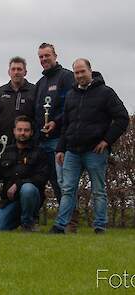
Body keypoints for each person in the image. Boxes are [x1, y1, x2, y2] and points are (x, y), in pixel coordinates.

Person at [49, 58, 129, 234]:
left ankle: (100, 226)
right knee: (67, 190)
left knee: (98, 191)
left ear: (90, 71)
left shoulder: (106, 93)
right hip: (72, 151)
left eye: (82, 71)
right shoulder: (71, 95)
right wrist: (60, 148)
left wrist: (107, 140)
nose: (79, 75)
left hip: (95, 151)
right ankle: (60, 226)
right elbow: (66, 125)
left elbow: (122, 118)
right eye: (76, 73)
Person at [0, 115, 50, 232]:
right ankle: (17, 220)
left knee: (28, 189)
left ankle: (28, 223)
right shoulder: (5, 152)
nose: (22, 133)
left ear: (31, 132)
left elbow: (41, 178)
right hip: (10, 201)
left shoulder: (39, 153)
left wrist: (19, 184)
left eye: (26, 130)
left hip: (31, 199)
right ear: (14, 131)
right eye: (19, 130)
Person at [34, 42, 75, 205]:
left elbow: (72, 106)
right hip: (42, 141)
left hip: (59, 141)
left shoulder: (67, 77)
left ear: (55, 56)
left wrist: (55, 122)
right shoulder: (40, 83)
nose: (44, 59)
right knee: (47, 180)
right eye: (41, 57)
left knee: (63, 182)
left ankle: (70, 220)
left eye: (47, 55)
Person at [0, 56, 36, 144]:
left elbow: (39, 117)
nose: (16, 72)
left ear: (25, 72)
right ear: (9, 72)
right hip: (4, 143)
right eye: (13, 69)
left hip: (29, 144)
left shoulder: (35, 91)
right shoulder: (0, 92)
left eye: (19, 69)